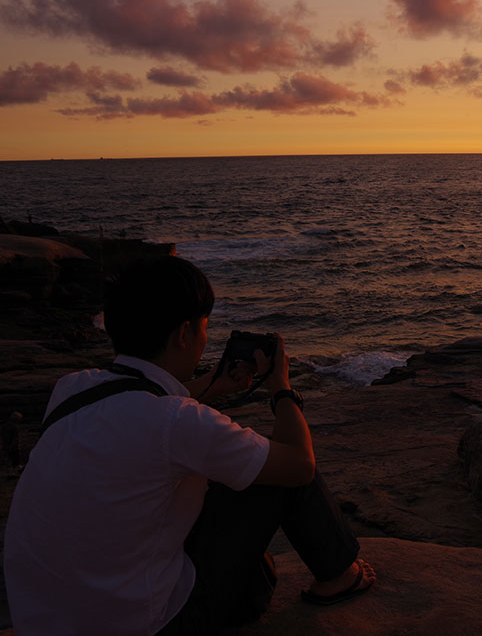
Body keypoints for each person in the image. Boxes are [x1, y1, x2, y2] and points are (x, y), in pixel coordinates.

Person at [4, 255, 375, 635]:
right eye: (204, 327)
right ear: (184, 334)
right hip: (145, 626)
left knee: (210, 476)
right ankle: (338, 576)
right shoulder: (177, 422)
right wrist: (282, 390)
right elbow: (300, 465)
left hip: (43, 620)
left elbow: (136, 406)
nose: (204, 338)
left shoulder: (72, 387)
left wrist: (212, 386)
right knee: (271, 473)